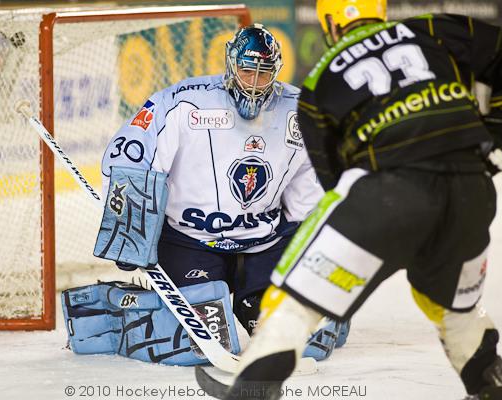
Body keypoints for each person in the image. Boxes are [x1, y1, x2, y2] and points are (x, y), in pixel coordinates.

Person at [201, 1, 502, 399]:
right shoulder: (435, 29)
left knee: (293, 290)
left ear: (330, 24)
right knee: (454, 309)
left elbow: (336, 180)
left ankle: (252, 387)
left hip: (386, 193)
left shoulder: (318, 83)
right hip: (472, 192)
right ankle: (492, 389)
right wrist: (499, 124)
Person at [61, 24, 349, 366]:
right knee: (202, 346)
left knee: (308, 344)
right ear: (230, 65)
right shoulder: (183, 102)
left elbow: (313, 187)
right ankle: (115, 312)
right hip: (190, 242)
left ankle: (259, 300)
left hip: (262, 244)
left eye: (264, 73)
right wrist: (131, 232)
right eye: (246, 70)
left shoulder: (299, 112)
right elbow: (130, 153)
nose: (254, 83)